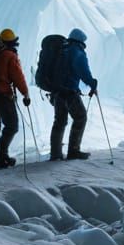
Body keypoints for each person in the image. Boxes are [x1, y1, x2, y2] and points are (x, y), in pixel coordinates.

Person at [0, 29, 31, 168]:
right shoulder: (9, 55)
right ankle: (2, 156)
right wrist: (25, 93)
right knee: (12, 126)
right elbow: (18, 77)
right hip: (3, 96)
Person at [50, 28, 97, 161]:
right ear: (80, 41)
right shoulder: (77, 52)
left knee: (59, 121)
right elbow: (84, 72)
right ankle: (73, 150)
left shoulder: (61, 50)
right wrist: (93, 84)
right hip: (69, 92)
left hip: (57, 92)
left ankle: (55, 154)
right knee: (80, 117)